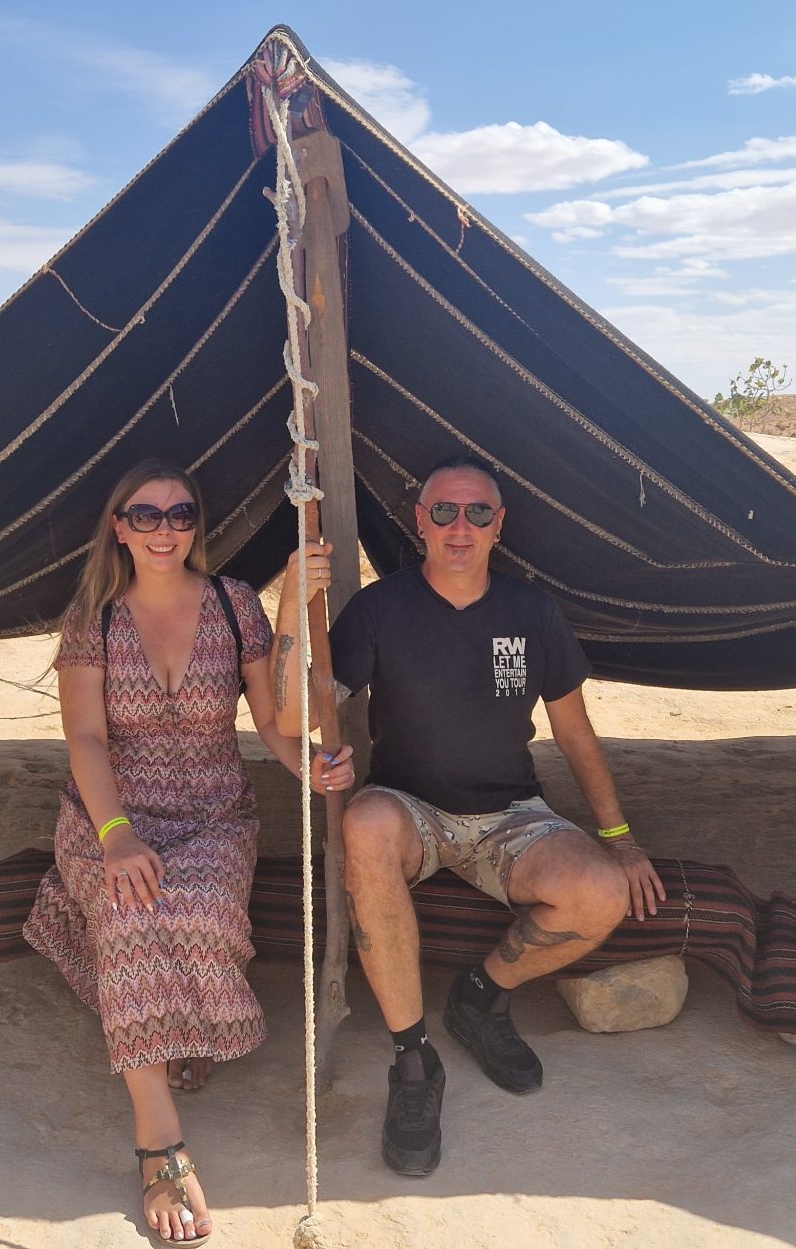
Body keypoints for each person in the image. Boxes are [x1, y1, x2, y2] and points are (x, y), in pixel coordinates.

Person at [275, 455, 664, 1178]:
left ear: (499, 525)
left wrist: (621, 838)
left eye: (478, 512)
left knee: (603, 891)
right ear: (420, 523)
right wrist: (293, 604)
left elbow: (575, 733)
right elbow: (295, 711)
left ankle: (480, 998)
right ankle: (413, 1059)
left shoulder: (531, 612)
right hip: (411, 809)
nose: (461, 527)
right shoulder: (381, 608)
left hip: (508, 814)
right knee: (364, 824)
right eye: (445, 512)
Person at [23, 460, 354, 1246]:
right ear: (120, 528)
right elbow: (86, 739)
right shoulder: (93, 618)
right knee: (130, 914)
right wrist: (117, 837)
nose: (164, 529)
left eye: (180, 515)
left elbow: (275, 721)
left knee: (199, 912)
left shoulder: (235, 606)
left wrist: (306, 765)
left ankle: (178, 1029)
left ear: (196, 527)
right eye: (146, 515)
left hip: (212, 815)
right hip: (110, 814)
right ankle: (159, 1141)